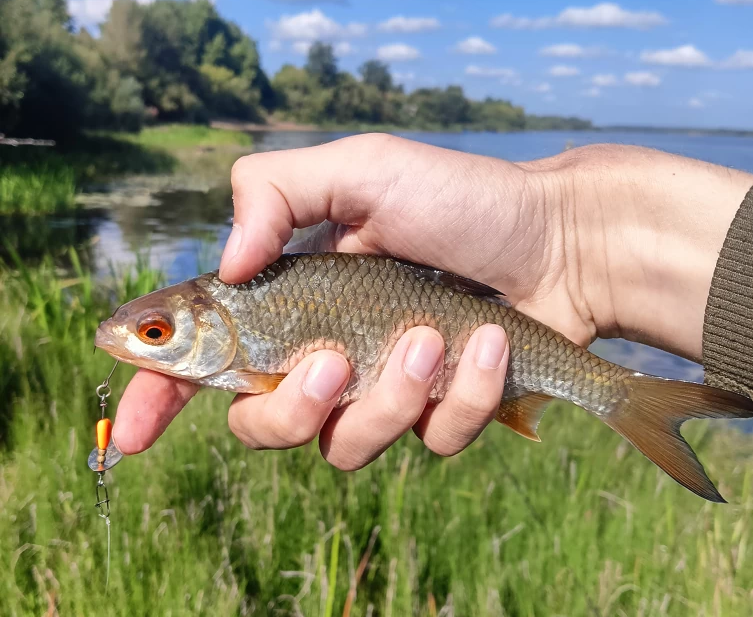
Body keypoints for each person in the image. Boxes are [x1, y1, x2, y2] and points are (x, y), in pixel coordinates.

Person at [112, 134, 753, 469]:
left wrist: (568, 239)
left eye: (155, 333)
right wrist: (573, 244)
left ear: (203, 323)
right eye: (154, 334)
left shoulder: (245, 307)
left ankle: (629, 399)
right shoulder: (245, 306)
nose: (140, 340)